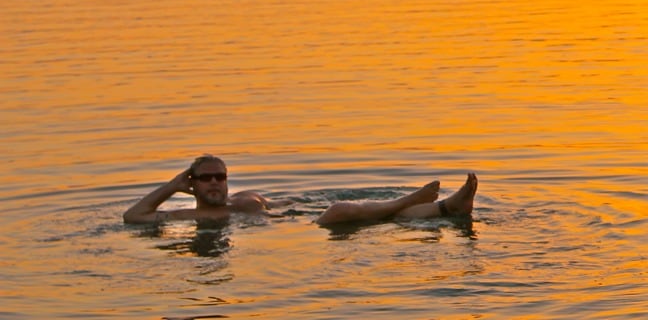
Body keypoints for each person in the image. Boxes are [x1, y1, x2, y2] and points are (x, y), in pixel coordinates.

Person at [123, 154, 478, 225]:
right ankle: (414, 200)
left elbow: (292, 204)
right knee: (342, 211)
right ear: (193, 183)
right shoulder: (187, 215)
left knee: (386, 215)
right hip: (305, 236)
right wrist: (171, 186)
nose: (215, 182)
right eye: (206, 178)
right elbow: (133, 217)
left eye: (220, 176)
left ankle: (449, 209)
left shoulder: (247, 199)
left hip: (297, 223)